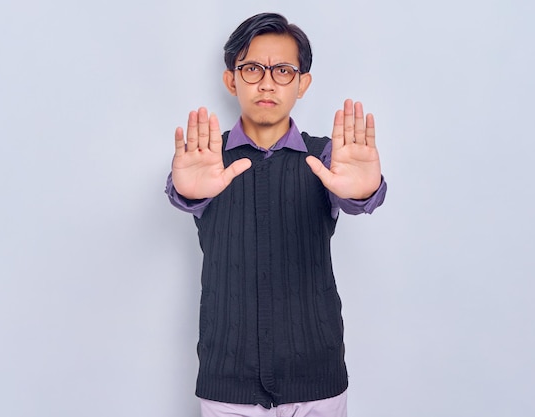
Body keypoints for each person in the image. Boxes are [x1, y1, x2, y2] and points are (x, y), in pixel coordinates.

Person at [165, 12, 387, 417]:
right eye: (252, 69)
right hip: (227, 380)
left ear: (303, 83)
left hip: (316, 377)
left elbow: (358, 196)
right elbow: (184, 191)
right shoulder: (205, 158)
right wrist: (185, 191)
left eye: (283, 70)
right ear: (231, 79)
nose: (267, 82)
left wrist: (365, 191)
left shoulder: (326, 156)